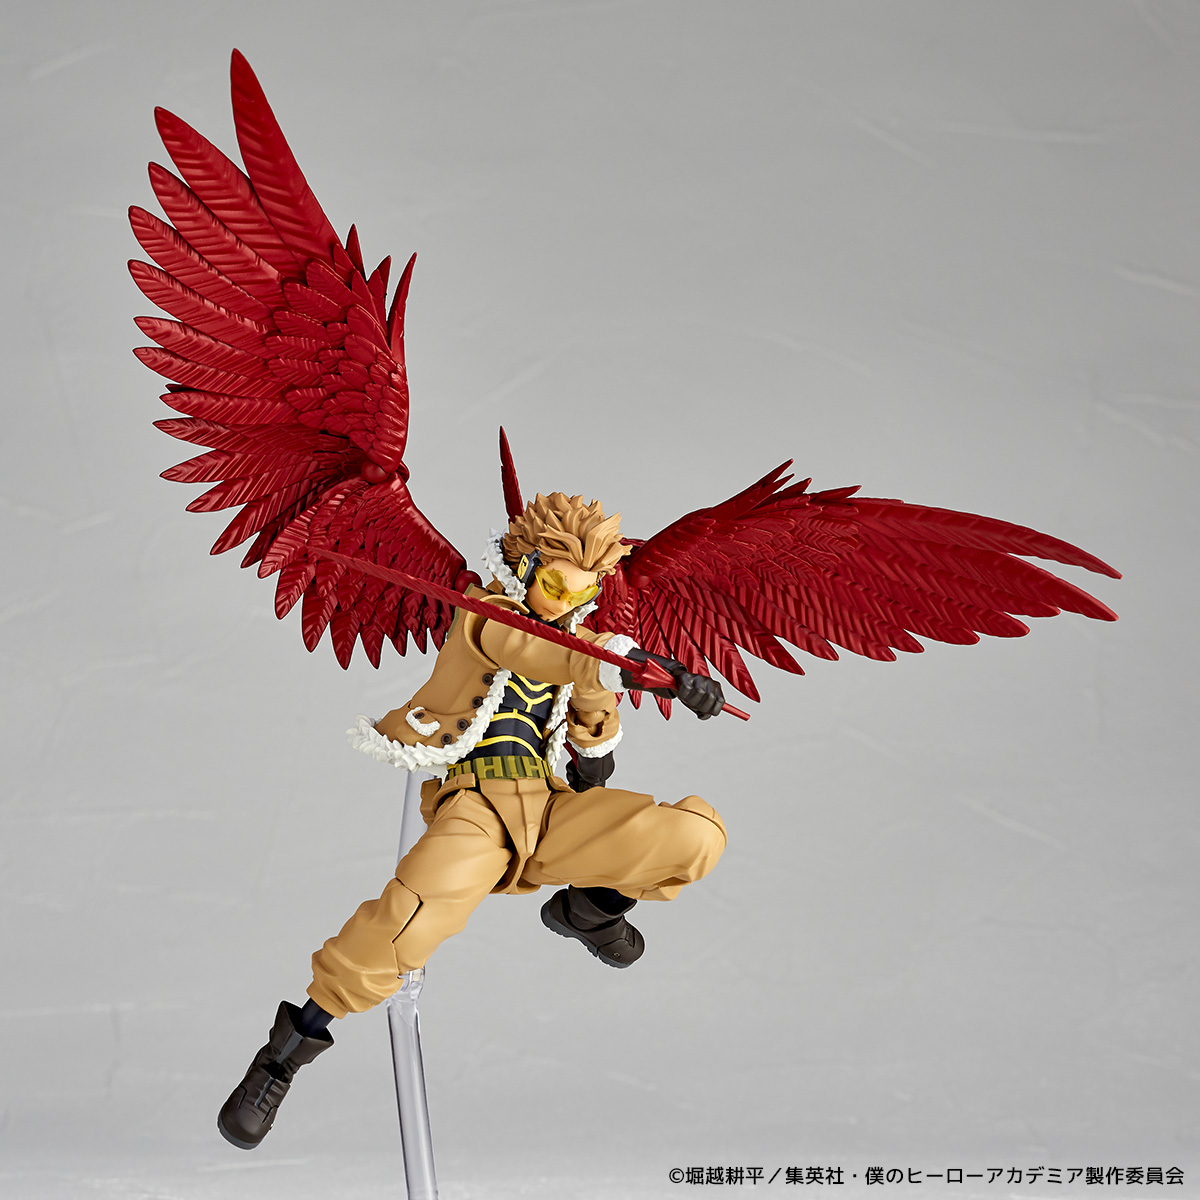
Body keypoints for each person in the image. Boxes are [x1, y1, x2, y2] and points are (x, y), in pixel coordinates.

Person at [217, 493, 726, 1149]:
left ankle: (589, 912)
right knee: (404, 926)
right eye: (552, 585)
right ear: (523, 566)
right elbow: (539, 650)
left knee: (694, 835)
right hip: (477, 808)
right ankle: (283, 1057)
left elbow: (592, 722)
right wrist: (623, 665)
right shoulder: (485, 615)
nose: (564, 604)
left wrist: (657, 683)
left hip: (546, 808)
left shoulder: (579, 643)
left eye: (581, 592)